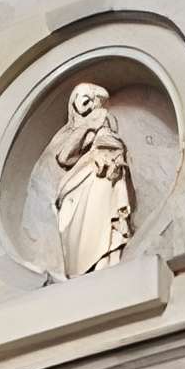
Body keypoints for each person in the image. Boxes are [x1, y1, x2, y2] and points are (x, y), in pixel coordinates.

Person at [52, 80, 133, 278]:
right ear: (73, 103)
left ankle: (103, 265)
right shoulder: (70, 131)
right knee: (75, 233)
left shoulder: (105, 118)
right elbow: (65, 157)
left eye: (88, 95)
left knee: (102, 219)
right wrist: (88, 126)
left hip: (100, 175)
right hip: (75, 184)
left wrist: (105, 146)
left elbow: (111, 143)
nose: (84, 99)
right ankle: (80, 272)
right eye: (79, 95)